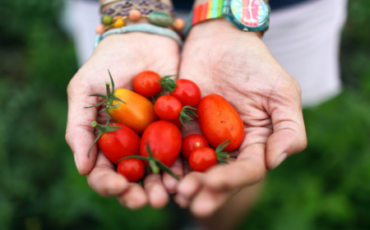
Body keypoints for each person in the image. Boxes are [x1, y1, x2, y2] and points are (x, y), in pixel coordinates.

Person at [64, 0, 347, 229]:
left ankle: (210, 222)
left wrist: (228, 14)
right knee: (243, 151)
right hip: (124, 13)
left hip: (272, 12)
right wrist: (138, 13)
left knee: (249, 148)